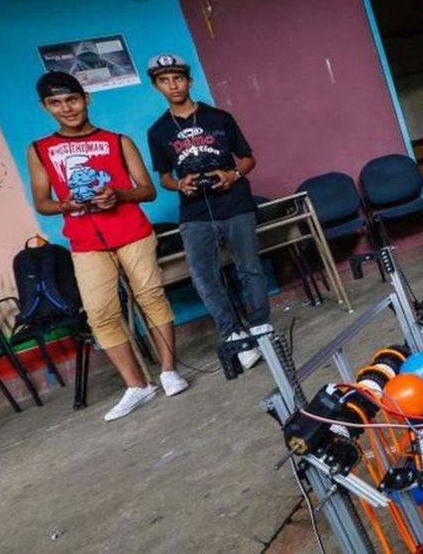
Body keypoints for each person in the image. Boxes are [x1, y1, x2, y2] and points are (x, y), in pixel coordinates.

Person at [26, 71, 189, 421]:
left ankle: (168, 371)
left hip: (132, 231)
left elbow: (147, 189)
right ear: (45, 107)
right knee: (100, 313)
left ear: (86, 98)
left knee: (150, 297)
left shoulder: (118, 140)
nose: (66, 108)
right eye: (55, 103)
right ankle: (137, 386)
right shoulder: (40, 149)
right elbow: (42, 201)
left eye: (72, 99)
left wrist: (119, 195)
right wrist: (63, 206)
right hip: (85, 241)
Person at [145, 54, 269, 371]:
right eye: (164, 80)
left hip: (235, 202)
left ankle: (260, 327)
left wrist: (233, 175)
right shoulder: (158, 131)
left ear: (190, 81)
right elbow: (163, 178)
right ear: (156, 86)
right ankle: (234, 336)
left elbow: (248, 158)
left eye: (178, 78)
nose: (173, 85)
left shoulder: (220, 118)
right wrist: (179, 184)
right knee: (204, 277)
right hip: (194, 211)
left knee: (249, 267)